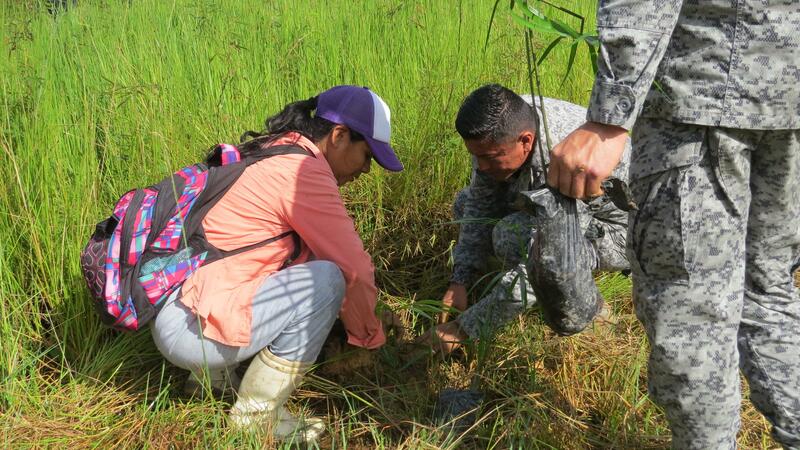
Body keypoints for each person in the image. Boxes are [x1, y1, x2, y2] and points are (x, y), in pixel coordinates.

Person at [547, 2, 800, 448]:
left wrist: (611, 113)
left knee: (690, 320)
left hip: (701, 101)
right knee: (768, 295)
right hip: (787, 103)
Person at [149, 85, 403, 443]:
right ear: (340, 135)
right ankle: (257, 418)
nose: (366, 170)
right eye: (367, 156)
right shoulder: (304, 172)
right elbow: (355, 270)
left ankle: (212, 379)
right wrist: (367, 338)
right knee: (328, 279)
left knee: (308, 261)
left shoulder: (277, 149)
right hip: (189, 332)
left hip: (179, 310)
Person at [423, 84, 631, 355]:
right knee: (464, 203)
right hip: (555, 200)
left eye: (488, 158)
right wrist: (460, 280)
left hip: (620, 230)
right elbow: (479, 205)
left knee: (510, 236)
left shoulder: (563, 161)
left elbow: (553, 258)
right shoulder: (502, 127)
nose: (481, 166)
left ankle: (591, 308)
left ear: (525, 141)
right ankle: (498, 291)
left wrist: (463, 329)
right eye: (476, 157)